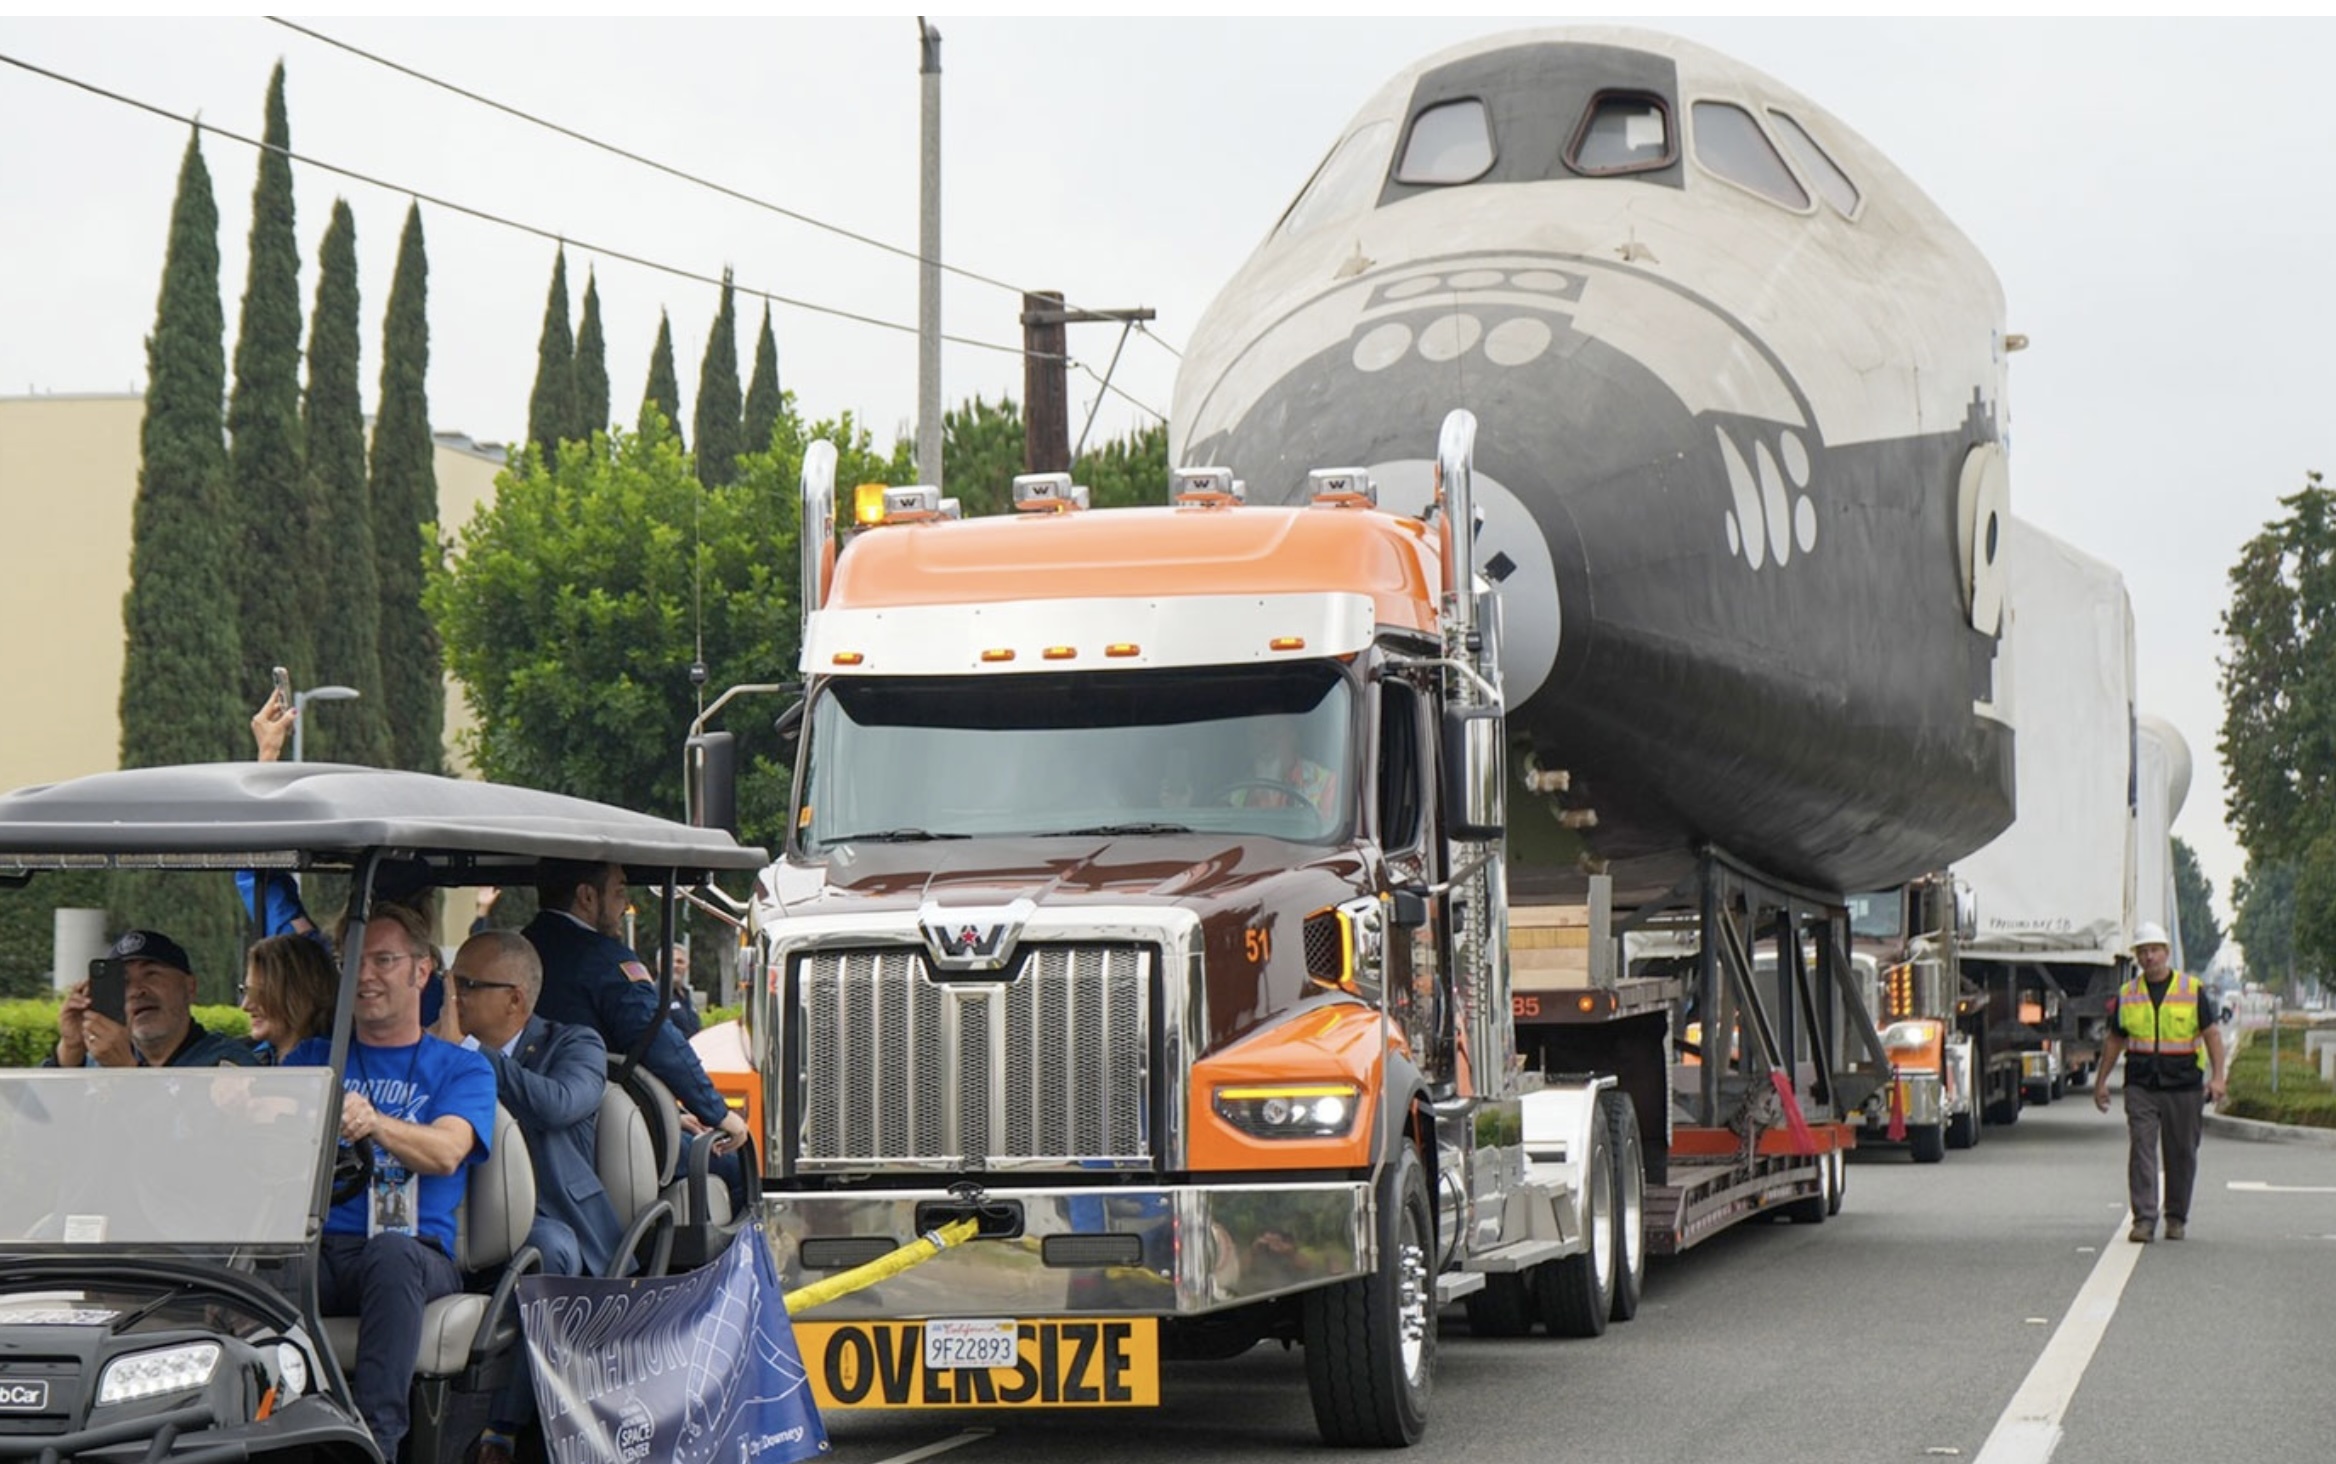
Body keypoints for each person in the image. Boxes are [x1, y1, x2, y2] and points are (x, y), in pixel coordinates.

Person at [285, 901, 496, 1458]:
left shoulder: (461, 1068)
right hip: (319, 1248)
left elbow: (449, 1150)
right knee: (252, 1263)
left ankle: (375, 1445)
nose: (366, 975)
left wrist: (374, 1122)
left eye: (383, 959)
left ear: (421, 970)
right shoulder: (311, 1059)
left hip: (416, 1257)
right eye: (353, 960)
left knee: (391, 1253)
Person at [446, 929, 624, 1464]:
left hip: (551, 1223)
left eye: (466, 986)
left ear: (516, 999)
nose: (452, 999)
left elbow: (557, 1105)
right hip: (458, 1216)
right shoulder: (440, 1049)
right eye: (451, 985)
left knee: (550, 1249)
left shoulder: (575, 1044)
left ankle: (499, 1430)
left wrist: (471, 1054)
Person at [522, 861, 750, 1180]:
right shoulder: (602, 959)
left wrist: (669, 1114)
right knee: (737, 1166)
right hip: (602, 1125)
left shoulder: (523, 946)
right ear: (587, 897)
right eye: (619, 892)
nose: (625, 905)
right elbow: (656, 1037)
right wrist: (717, 1111)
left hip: (534, 1118)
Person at [2093, 921, 2228, 1242]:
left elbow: (2212, 1036)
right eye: (2143, 951)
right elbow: (2114, 1040)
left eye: (2154, 950)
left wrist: (2219, 1078)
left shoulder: (2191, 990)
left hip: (2183, 1086)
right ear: (2137, 957)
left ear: (2167, 953)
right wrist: (2100, 1083)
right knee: (2142, 1148)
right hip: (2142, 1085)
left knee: (2181, 1152)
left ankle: (2176, 1217)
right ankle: (2144, 1219)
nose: (2149, 957)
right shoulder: (2128, 995)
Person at [46, 930, 257, 1069]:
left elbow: (190, 1136)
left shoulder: (226, 1064)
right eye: (124, 981)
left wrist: (127, 1076)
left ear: (190, 987)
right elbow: (34, 1128)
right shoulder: (98, 1063)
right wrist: (70, 1050)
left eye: (152, 974)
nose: (137, 991)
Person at [241, 933, 338, 1063]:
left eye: (261, 994)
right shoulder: (249, 1060)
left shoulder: (337, 1064)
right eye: (247, 991)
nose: (246, 1006)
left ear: (298, 995)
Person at [1229, 717, 1338, 817]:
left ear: (1294, 736)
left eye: (1275, 730)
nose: (1266, 741)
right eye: (1257, 733)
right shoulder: (1236, 791)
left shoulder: (1325, 783)